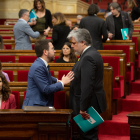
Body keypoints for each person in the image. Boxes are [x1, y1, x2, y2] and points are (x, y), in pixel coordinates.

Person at [67, 29, 107, 140]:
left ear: (83, 42)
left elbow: (87, 85)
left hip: (88, 105)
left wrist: (83, 108)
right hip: (90, 102)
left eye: (74, 43)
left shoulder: (88, 57)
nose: (71, 46)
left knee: (88, 136)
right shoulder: (90, 53)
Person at [22, 39, 74, 107]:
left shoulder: (41, 64)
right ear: (45, 52)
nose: (55, 51)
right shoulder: (38, 67)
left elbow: (44, 76)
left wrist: (56, 80)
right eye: (52, 49)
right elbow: (46, 89)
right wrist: (62, 83)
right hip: (34, 107)